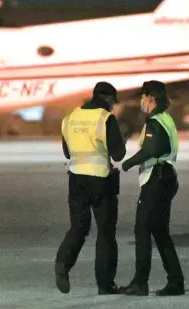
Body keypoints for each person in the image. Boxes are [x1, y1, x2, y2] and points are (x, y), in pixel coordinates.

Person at [55, 81, 127, 295]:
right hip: (100, 180)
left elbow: (68, 153)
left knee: (79, 227)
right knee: (105, 232)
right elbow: (118, 155)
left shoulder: (70, 118)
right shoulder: (105, 119)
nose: (113, 106)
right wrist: (120, 138)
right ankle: (105, 285)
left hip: (76, 179)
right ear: (107, 98)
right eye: (113, 102)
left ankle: (62, 263)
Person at [119, 80, 185, 297]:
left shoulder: (155, 121)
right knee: (160, 232)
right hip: (166, 178)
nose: (141, 101)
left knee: (142, 230)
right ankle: (175, 282)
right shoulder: (166, 119)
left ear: (151, 98)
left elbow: (156, 147)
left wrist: (129, 162)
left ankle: (140, 283)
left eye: (143, 97)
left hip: (156, 180)